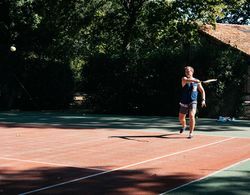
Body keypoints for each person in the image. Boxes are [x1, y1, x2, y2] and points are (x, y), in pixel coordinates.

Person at [179, 66, 206, 138]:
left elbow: (202, 91)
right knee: (181, 118)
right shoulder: (184, 79)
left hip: (193, 101)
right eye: (186, 71)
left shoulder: (197, 81)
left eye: (188, 71)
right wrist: (195, 81)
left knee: (191, 115)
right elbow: (188, 81)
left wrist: (203, 100)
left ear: (192, 72)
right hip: (184, 101)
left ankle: (191, 133)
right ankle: (184, 125)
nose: (187, 72)